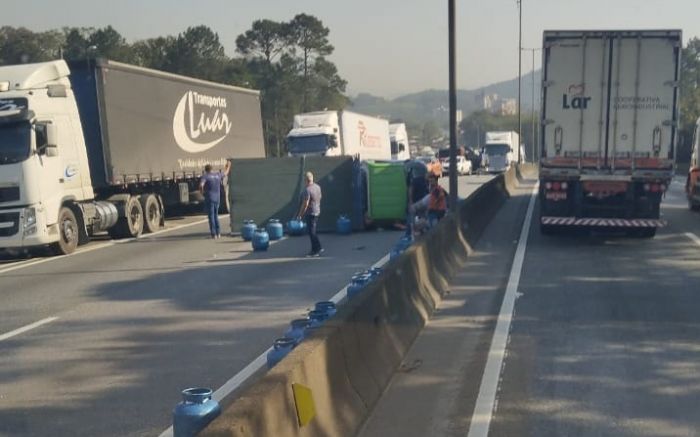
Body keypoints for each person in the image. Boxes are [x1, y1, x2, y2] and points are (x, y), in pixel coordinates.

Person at [199, 160, 231, 239]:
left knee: (211, 216)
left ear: (205, 170)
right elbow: (226, 173)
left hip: (209, 198)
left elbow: (201, 185)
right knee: (216, 216)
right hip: (217, 198)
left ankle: (213, 234)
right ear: (212, 169)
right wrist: (229, 166)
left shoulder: (205, 176)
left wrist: (202, 192)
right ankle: (218, 233)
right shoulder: (217, 175)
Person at [296, 171, 323, 257]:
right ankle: (318, 247)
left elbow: (305, 204)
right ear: (312, 178)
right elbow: (320, 197)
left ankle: (315, 251)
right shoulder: (318, 187)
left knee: (311, 232)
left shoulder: (307, 190)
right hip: (317, 211)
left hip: (310, 213)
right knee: (313, 231)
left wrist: (300, 215)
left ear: (306, 180)